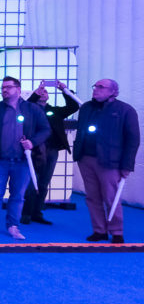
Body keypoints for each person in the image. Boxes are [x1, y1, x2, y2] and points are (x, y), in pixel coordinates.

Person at [0, 77, 50, 240]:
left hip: (23, 162)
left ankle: (13, 226)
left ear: (18, 89)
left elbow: (45, 130)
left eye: (8, 87)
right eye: (2, 87)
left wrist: (32, 142)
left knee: (18, 196)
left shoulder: (32, 109)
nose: (4, 90)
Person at [73, 79, 139, 243]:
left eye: (101, 87)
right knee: (92, 197)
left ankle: (116, 232)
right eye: (95, 86)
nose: (96, 90)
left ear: (113, 91)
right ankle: (99, 230)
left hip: (110, 162)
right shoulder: (86, 108)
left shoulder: (125, 110)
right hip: (86, 158)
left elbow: (133, 140)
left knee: (111, 197)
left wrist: (127, 165)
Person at [22, 81, 80, 225]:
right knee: (30, 183)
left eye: (46, 92)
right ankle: (26, 213)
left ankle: (37, 212)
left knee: (43, 183)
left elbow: (74, 106)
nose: (43, 93)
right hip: (33, 150)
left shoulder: (55, 111)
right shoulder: (29, 109)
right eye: (41, 92)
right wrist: (36, 93)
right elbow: (25, 106)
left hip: (52, 150)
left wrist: (64, 90)